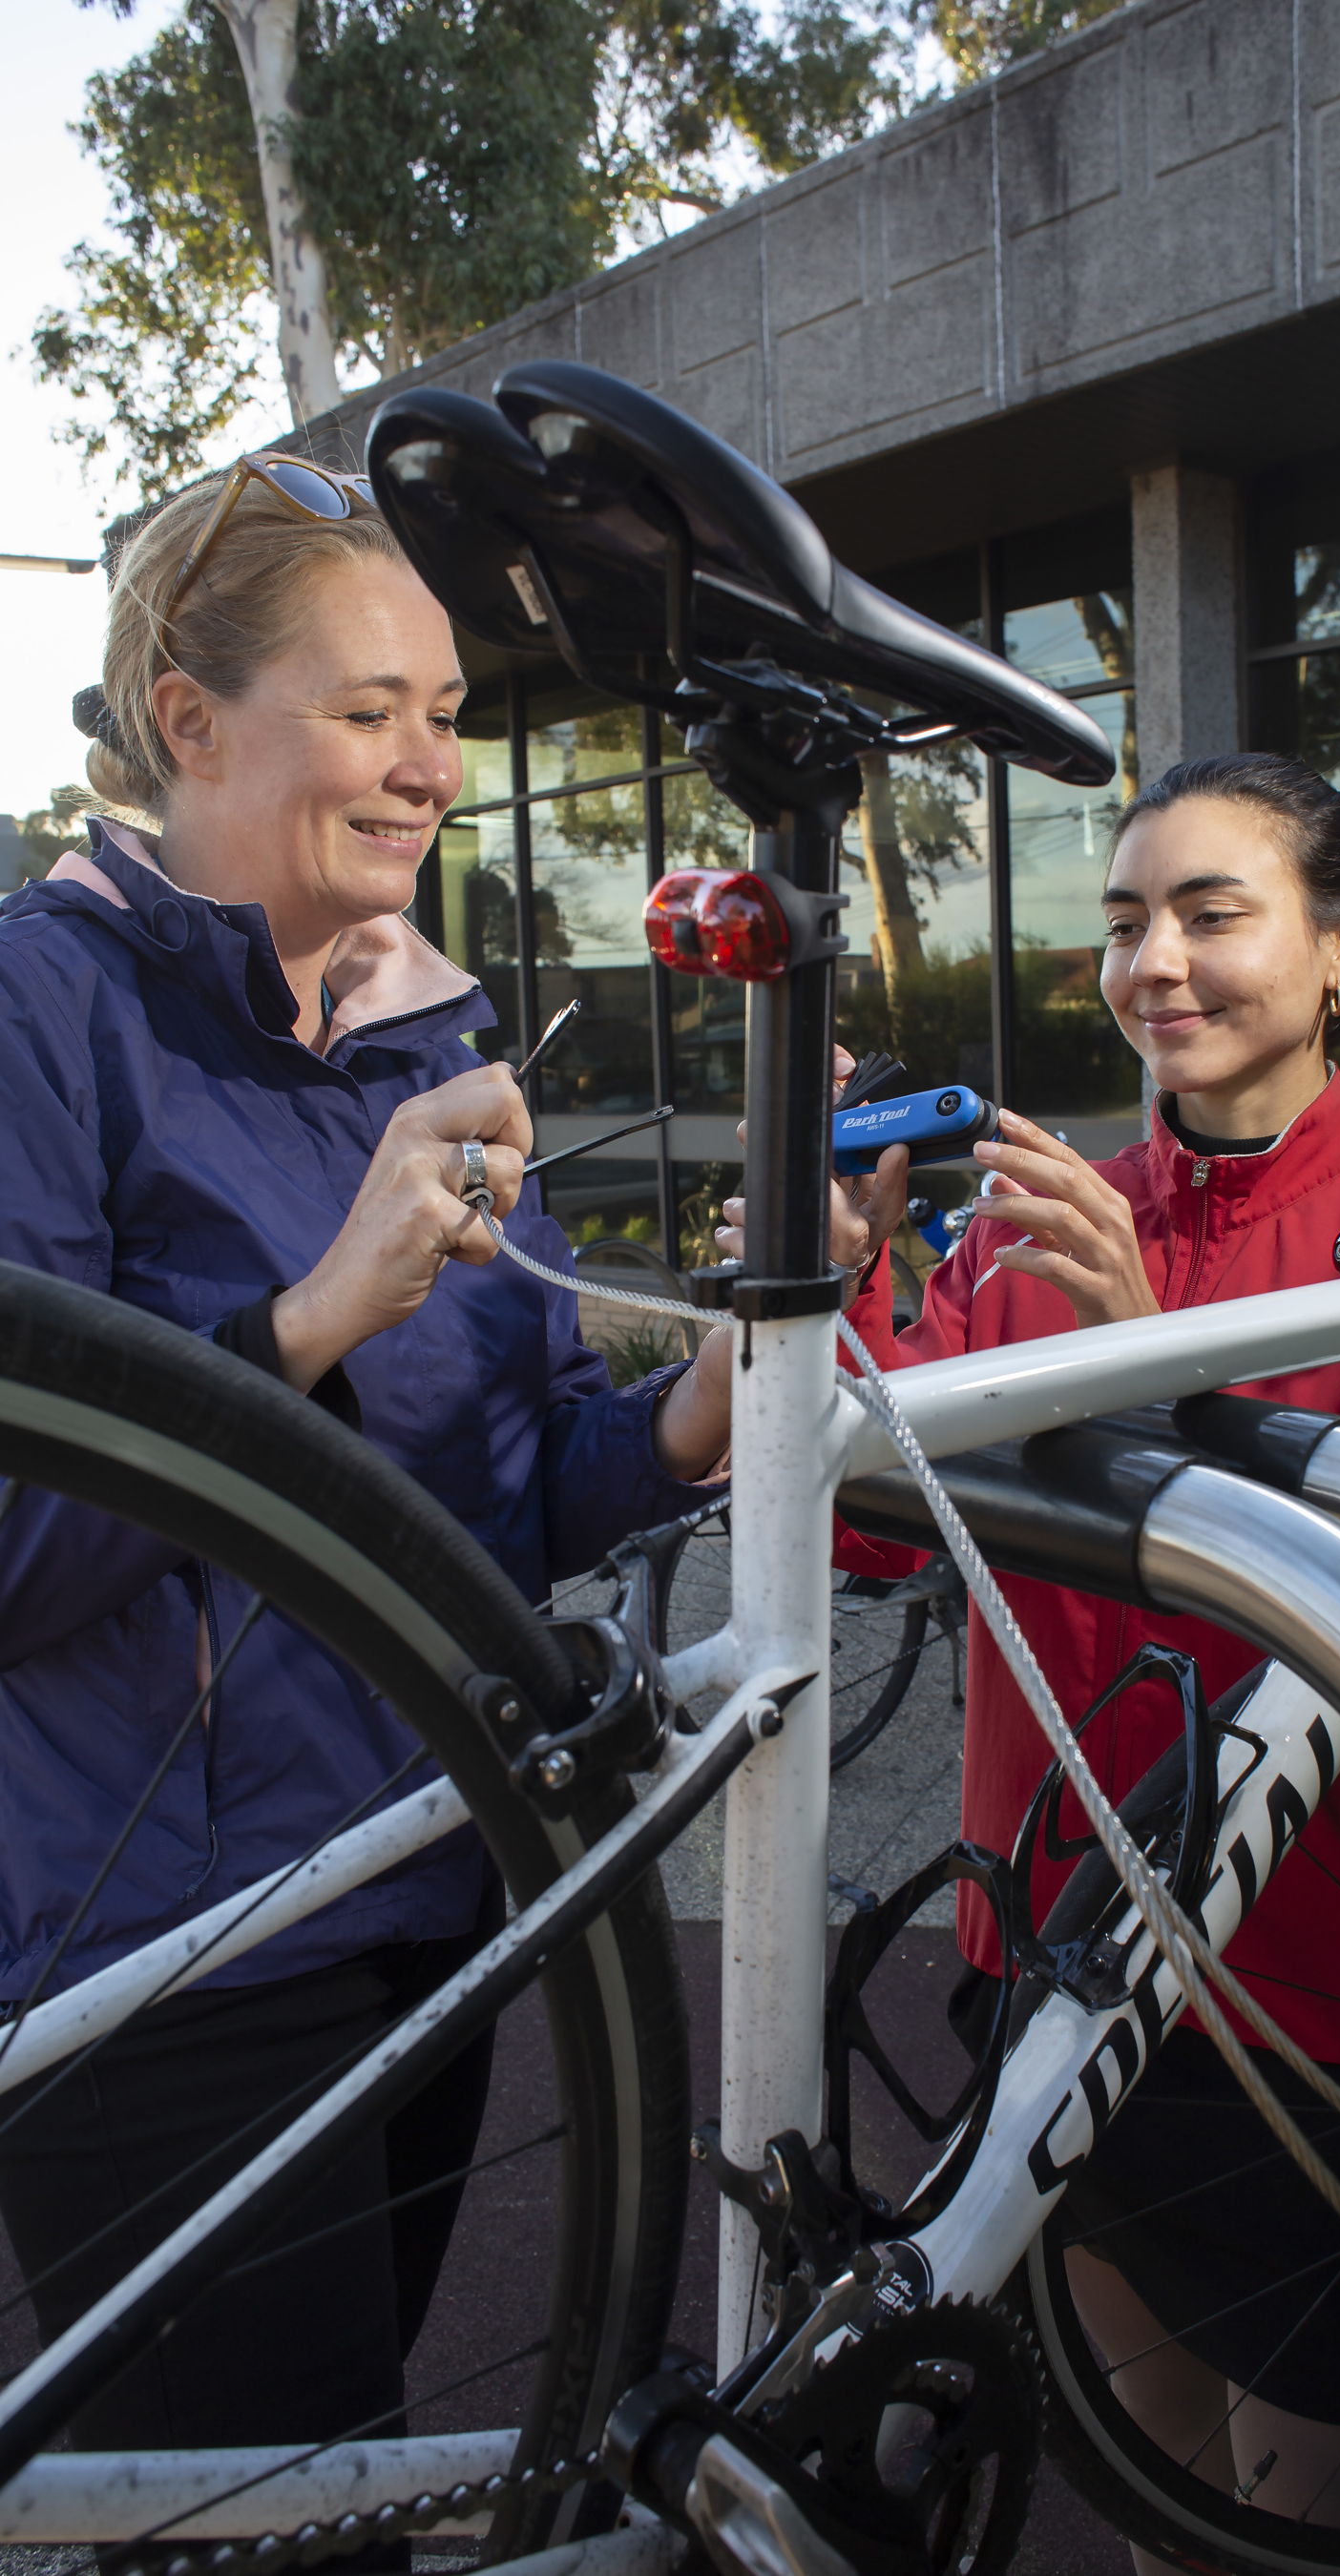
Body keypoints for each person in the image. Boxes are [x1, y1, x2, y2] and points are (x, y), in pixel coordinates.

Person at [0, 456, 733, 2490]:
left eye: (446, 713)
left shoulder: (427, 1035)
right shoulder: (36, 1006)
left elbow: (502, 1503)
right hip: (172, 1964)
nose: (428, 766)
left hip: (439, 1903)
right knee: (270, 2531)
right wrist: (312, 1319)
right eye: (365, 709)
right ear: (189, 719)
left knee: (365, 2482)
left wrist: (701, 1412)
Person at [721, 753, 1340, 2546]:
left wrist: (1153, 1357)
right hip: (1041, 1959)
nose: (1159, 962)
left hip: (1305, 2010)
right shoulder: (1041, 1212)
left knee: (1306, 2536)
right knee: (1148, 2508)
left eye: (1216, 914)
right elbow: (850, 1525)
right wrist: (840, 1291)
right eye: (1129, 920)